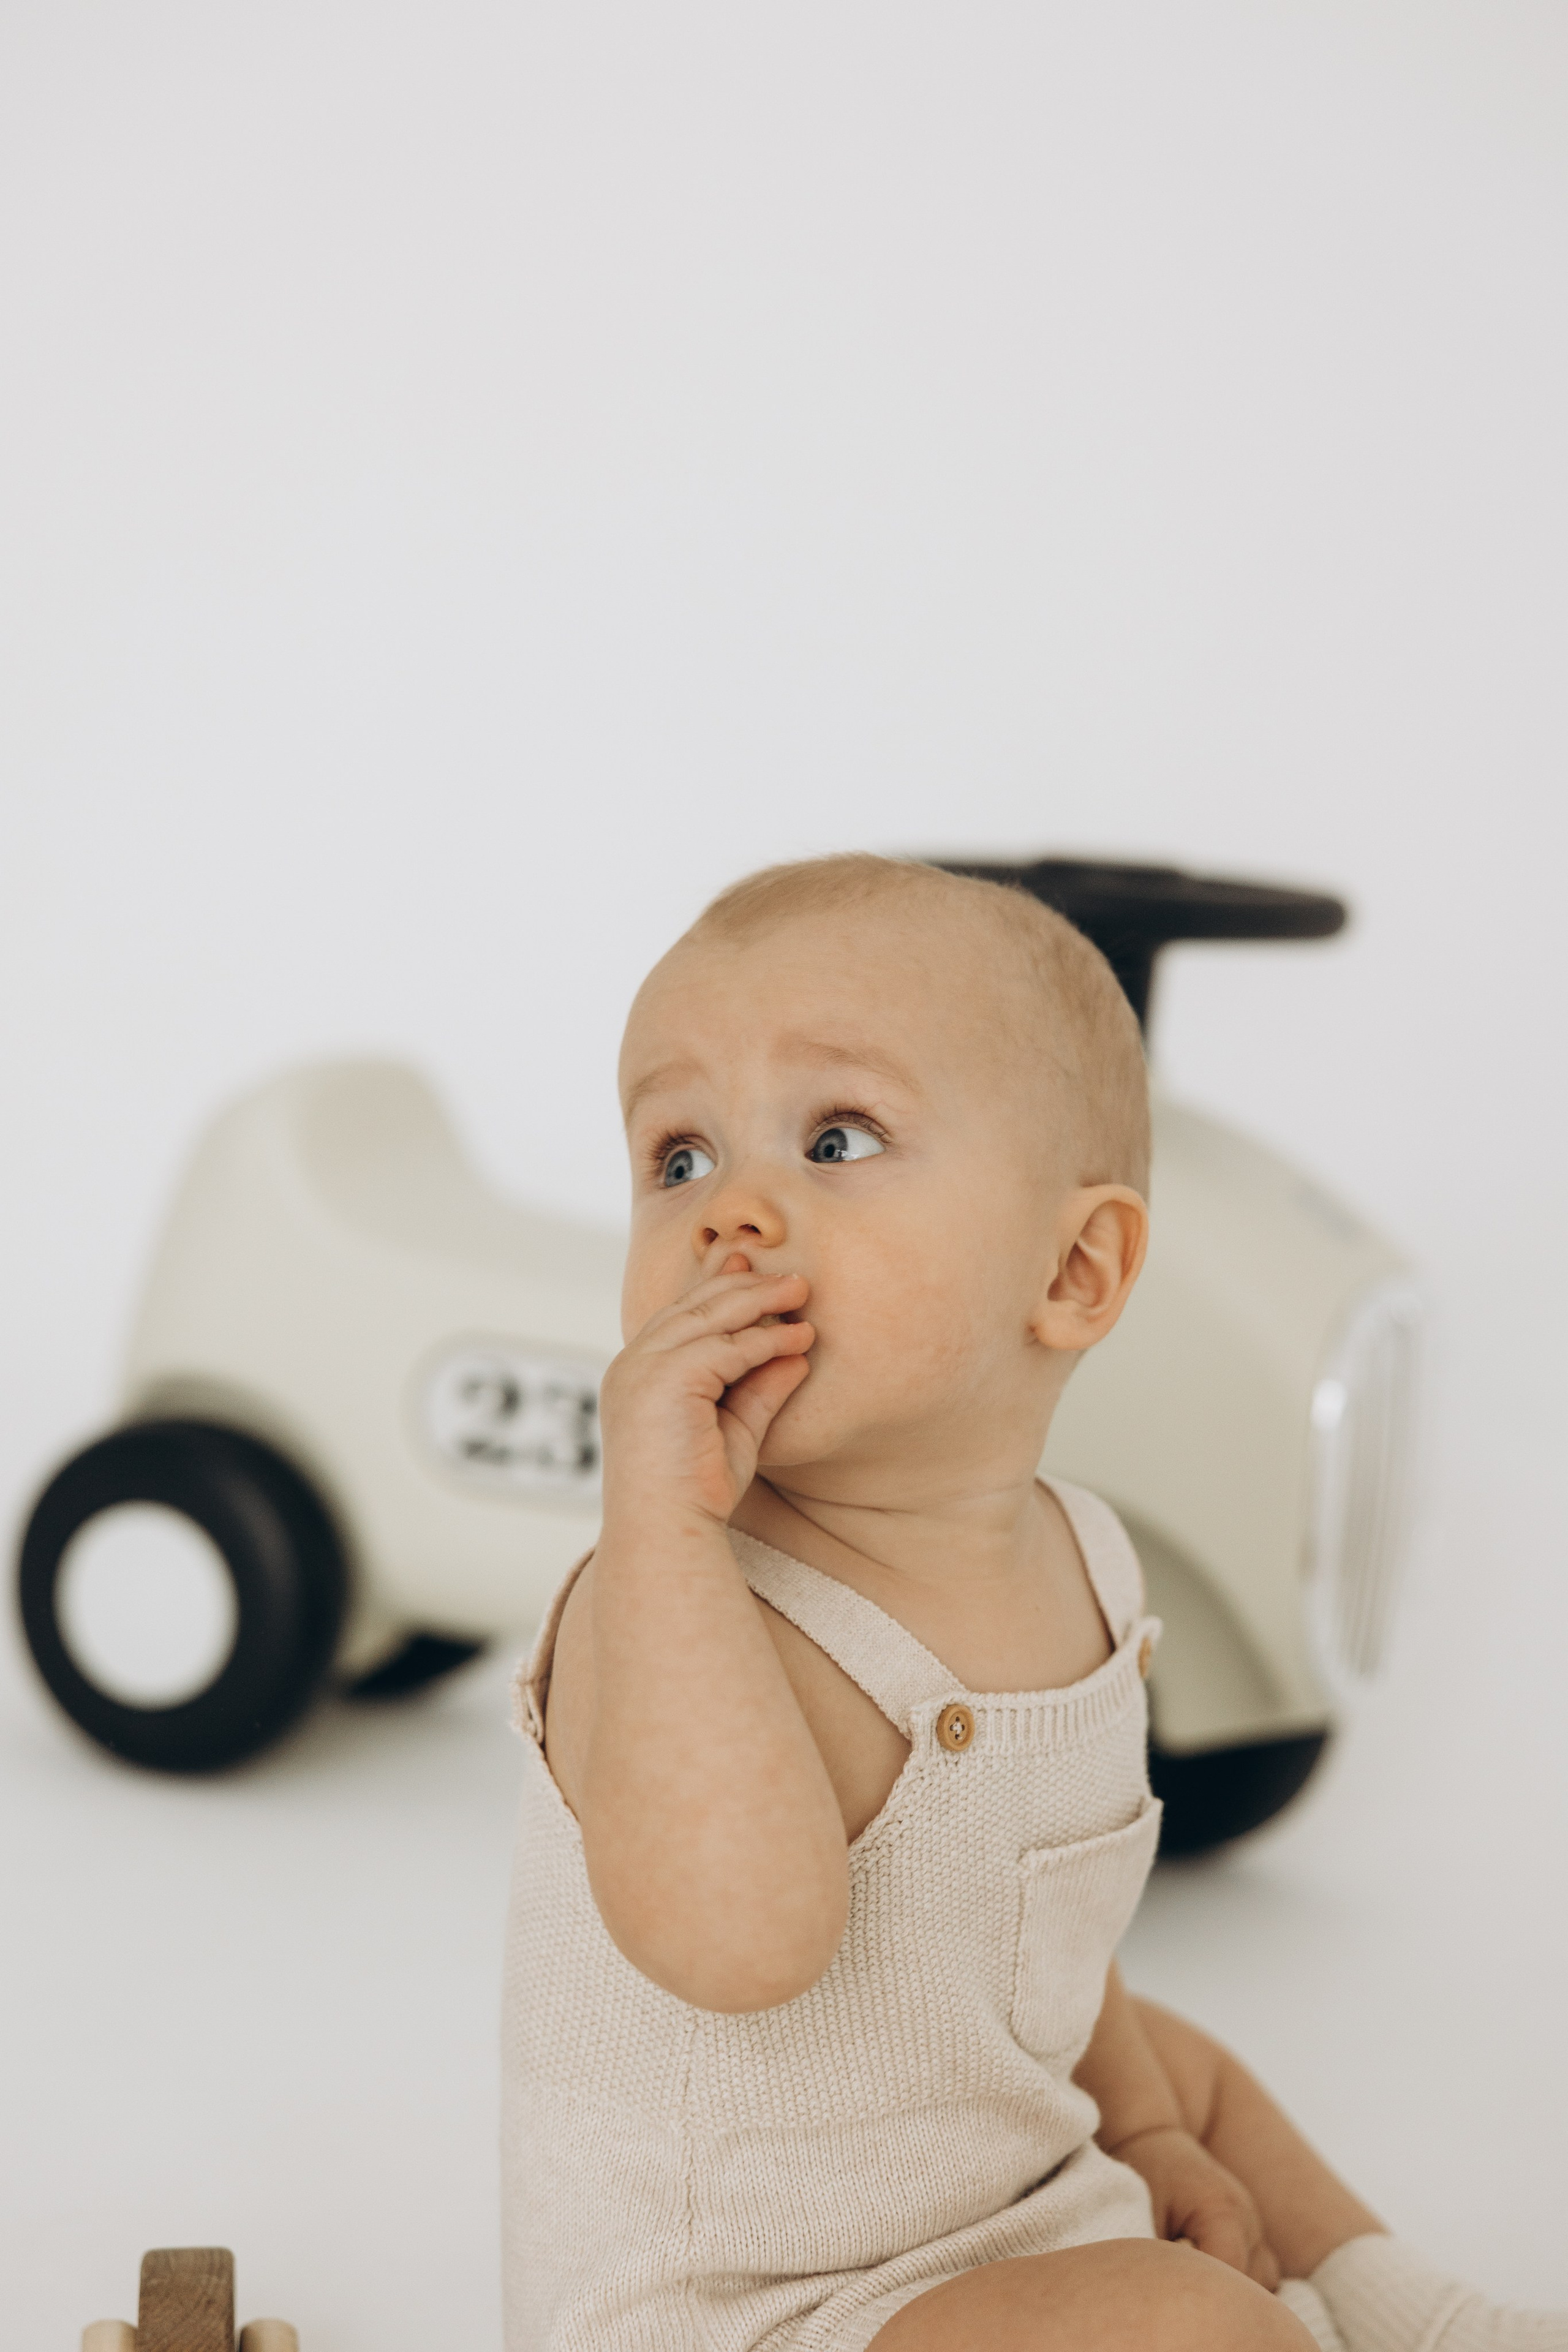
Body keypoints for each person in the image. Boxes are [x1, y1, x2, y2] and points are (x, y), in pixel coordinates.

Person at [501, 855, 1566, 2351]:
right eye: (677, 1157)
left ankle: (1414, 2317)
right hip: (760, 2312)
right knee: (1188, 2325)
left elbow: (1040, 1927)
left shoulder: (1085, 1561)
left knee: (1192, 2077)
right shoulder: (661, 1598)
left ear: (1072, 1270)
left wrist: (1145, 2129)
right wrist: (661, 1529)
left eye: (836, 1136)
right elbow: (739, 1947)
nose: (728, 1214)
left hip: (1003, 2199)